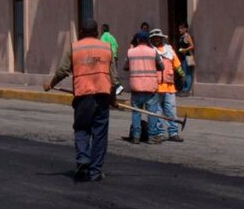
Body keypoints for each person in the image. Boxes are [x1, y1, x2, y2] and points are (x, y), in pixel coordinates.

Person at [43, 19, 119, 183]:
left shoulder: (75, 47)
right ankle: (95, 171)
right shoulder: (106, 48)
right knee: (100, 133)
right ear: (97, 33)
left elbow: (63, 70)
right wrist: (113, 98)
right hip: (102, 95)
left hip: (83, 95)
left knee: (82, 129)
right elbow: (114, 77)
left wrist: (51, 84)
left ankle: (83, 160)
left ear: (81, 32)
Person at [124, 30, 164, 144]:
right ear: (148, 40)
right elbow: (161, 67)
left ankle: (136, 136)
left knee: (136, 112)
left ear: (137, 40)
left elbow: (125, 67)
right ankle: (151, 137)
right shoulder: (153, 52)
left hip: (136, 87)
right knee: (152, 113)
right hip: (150, 87)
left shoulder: (130, 52)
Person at [150, 28, 185, 142]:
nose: (156, 40)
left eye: (157, 38)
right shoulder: (151, 51)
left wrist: (182, 75)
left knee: (171, 110)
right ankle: (160, 133)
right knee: (158, 112)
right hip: (156, 86)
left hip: (169, 86)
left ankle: (173, 132)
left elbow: (177, 64)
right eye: (153, 39)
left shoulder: (169, 50)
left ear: (161, 39)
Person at [177, 22, 196, 96]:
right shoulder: (181, 37)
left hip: (187, 57)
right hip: (182, 57)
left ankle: (187, 90)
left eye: (181, 28)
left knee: (188, 73)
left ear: (186, 29)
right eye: (179, 28)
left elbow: (192, 46)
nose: (180, 30)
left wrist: (184, 50)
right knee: (183, 73)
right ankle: (184, 88)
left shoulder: (187, 36)